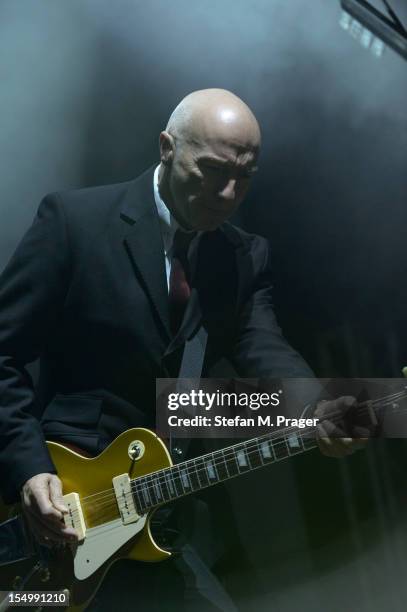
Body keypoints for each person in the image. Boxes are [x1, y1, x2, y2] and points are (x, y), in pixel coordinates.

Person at [0, 88, 366, 610]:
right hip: (62, 502)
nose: (229, 193)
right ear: (167, 147)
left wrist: (316, 405)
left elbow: (263, 345)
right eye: (215, 170)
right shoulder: (74, 223)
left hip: (162, 513)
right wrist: (28, 470)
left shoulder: (244, 257)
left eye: (245, 177)